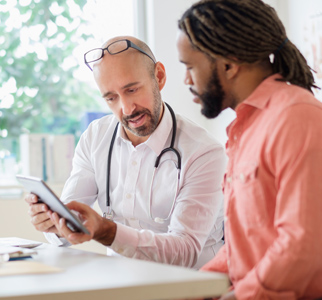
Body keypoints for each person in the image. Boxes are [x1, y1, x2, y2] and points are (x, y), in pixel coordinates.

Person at [25, 35, 227, 269]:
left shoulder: (204, 152)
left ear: (159, 76)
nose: (126, 109)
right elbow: (72, 217)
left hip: (191, 287)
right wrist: (54, 223)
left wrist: (106, 231)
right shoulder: (95, 137)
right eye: (111, 98)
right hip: (123, 283)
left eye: (131, 90)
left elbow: (184, 251)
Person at [176, 0, 322, 298]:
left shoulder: (297, 118)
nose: (186, 80)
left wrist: (240, 296)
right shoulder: (246, 127)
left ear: (228, 65)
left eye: (190, 67)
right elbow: (247, 244)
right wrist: (191, 289)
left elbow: (302, 244)